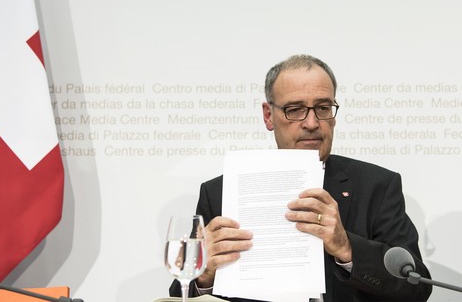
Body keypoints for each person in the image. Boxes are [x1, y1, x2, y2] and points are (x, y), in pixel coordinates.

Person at [170, 54, 432, 301]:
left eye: (322, 108)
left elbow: (416, 288)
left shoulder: (377, 186)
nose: (311, 122)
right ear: (268, 115)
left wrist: (347, 247)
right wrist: (204, 274)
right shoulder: (220, 193)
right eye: (295, 110)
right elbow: (179, 294)